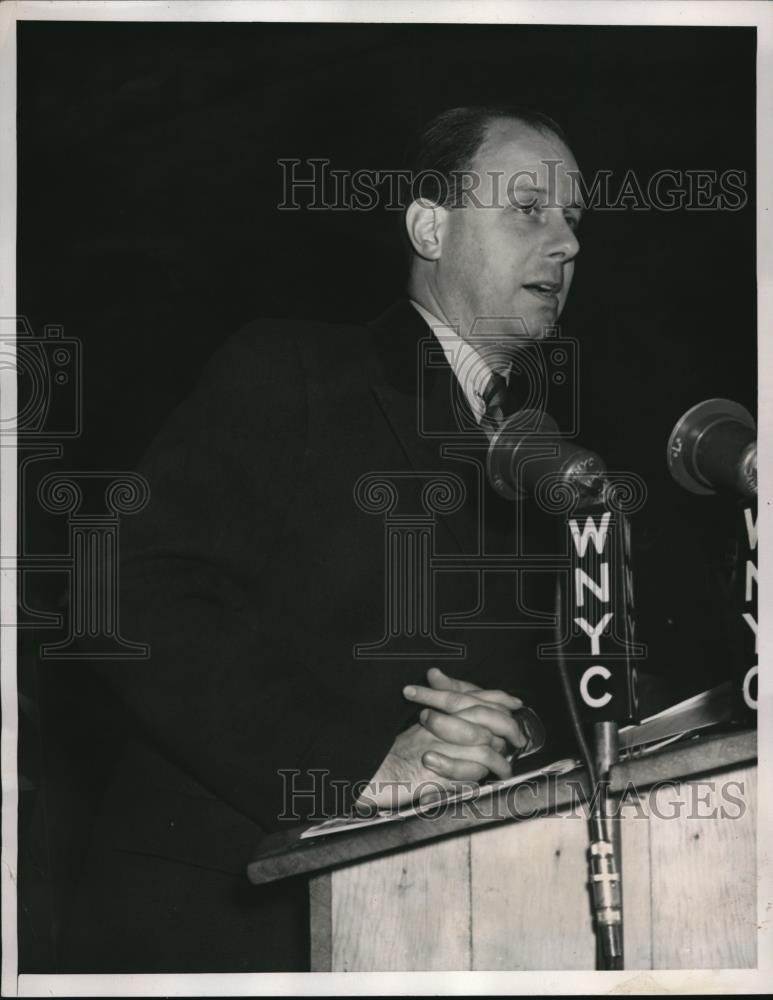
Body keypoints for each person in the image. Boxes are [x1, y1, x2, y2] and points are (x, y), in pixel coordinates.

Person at [60, 106, 582, 973]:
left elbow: (528, 674)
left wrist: (515, 733)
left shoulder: (540, 452)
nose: (565, 244)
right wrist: (352, 764)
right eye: (529, 209)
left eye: (574, 221)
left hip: (435, 922)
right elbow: (120, 585)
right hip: (222, 921)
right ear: (428, 225)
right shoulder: (292, 369)